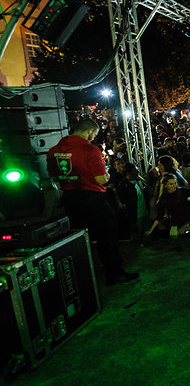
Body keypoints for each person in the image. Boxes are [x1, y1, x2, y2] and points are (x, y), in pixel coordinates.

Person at [46, 119, 139, 285]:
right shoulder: (89, 150)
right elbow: (101, 179)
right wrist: (108, 175)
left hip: (69, 199)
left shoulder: (54, 150)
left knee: (79, 239)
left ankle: (81, 279)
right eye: (94, 134)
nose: (94, 137)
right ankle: (114, 274)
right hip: (92, 200)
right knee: (107, 236)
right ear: (89, 131)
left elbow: (53, 176)